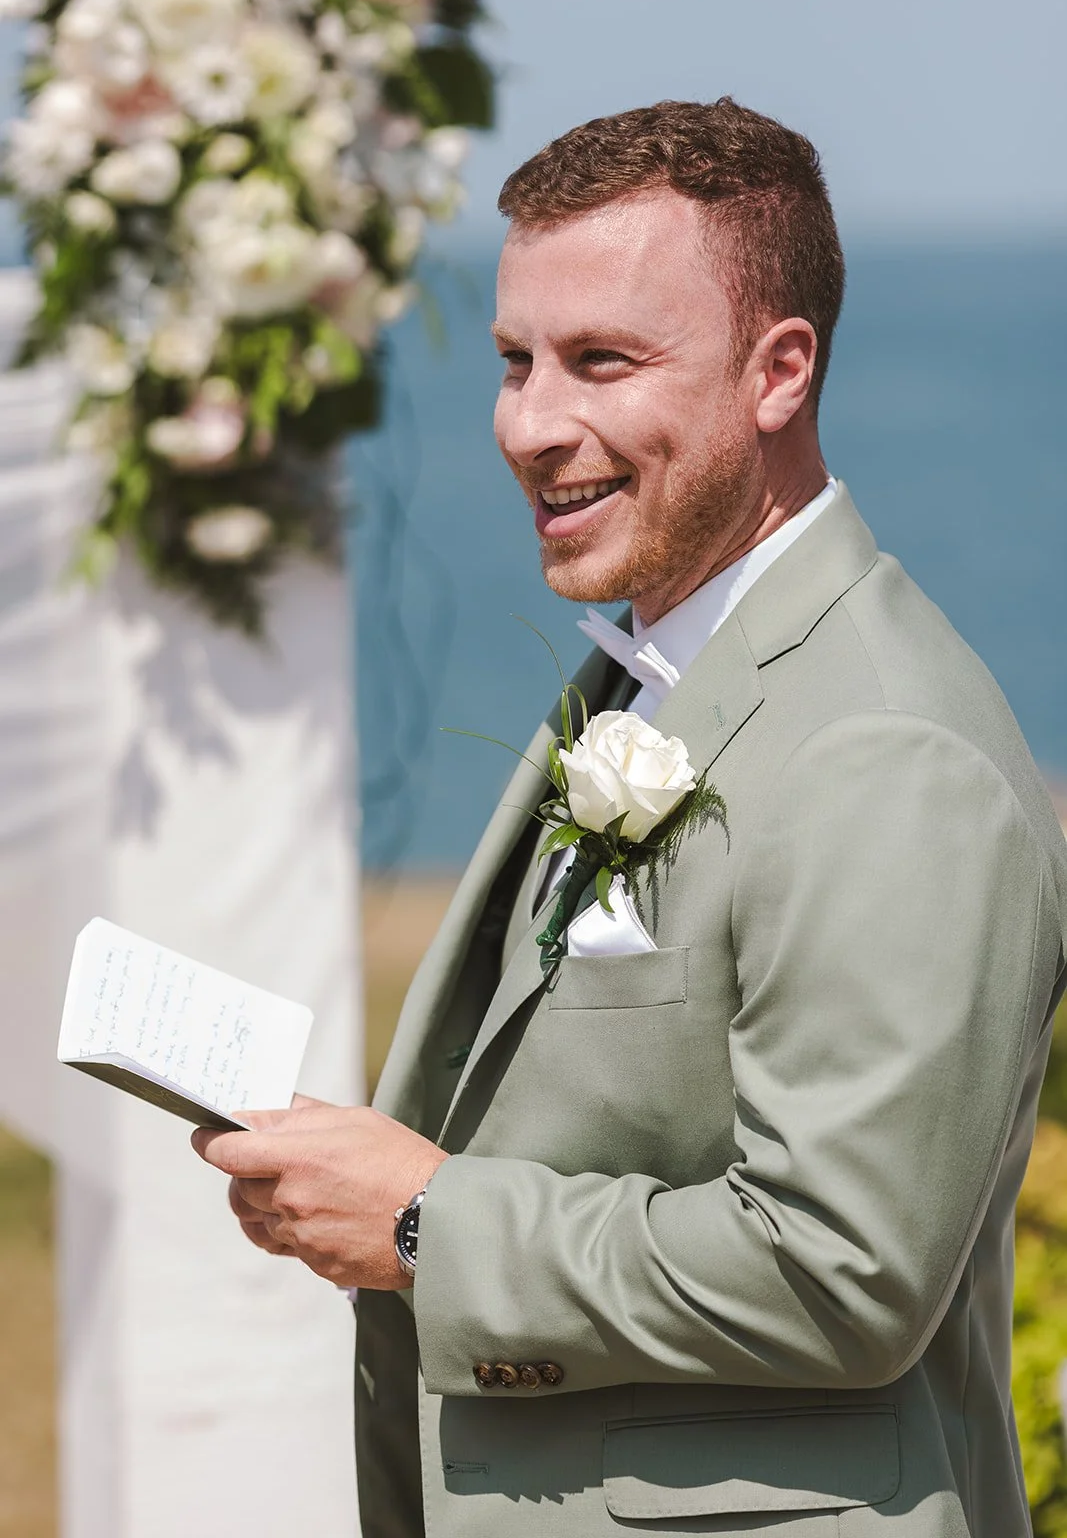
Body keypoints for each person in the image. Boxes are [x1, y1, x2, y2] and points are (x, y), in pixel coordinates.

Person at [193, 99, 1067, 1537]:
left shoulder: (889, 748)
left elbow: (844, 1272)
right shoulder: (655, 671)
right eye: (514, 361)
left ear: (778, 369)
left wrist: (426, 1225)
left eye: (603, 361)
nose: (534, 425)